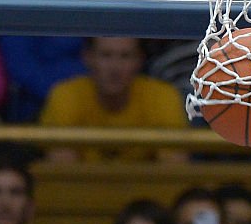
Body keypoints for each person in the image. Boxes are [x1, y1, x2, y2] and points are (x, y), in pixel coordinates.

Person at [39, 38, 188, 164]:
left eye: (125, 56)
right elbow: (61, 174)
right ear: (87, 57)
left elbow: (174, 169)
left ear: (140, 60)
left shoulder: (162, 97)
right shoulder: (66, 95)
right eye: (106, 55)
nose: (115, 67)